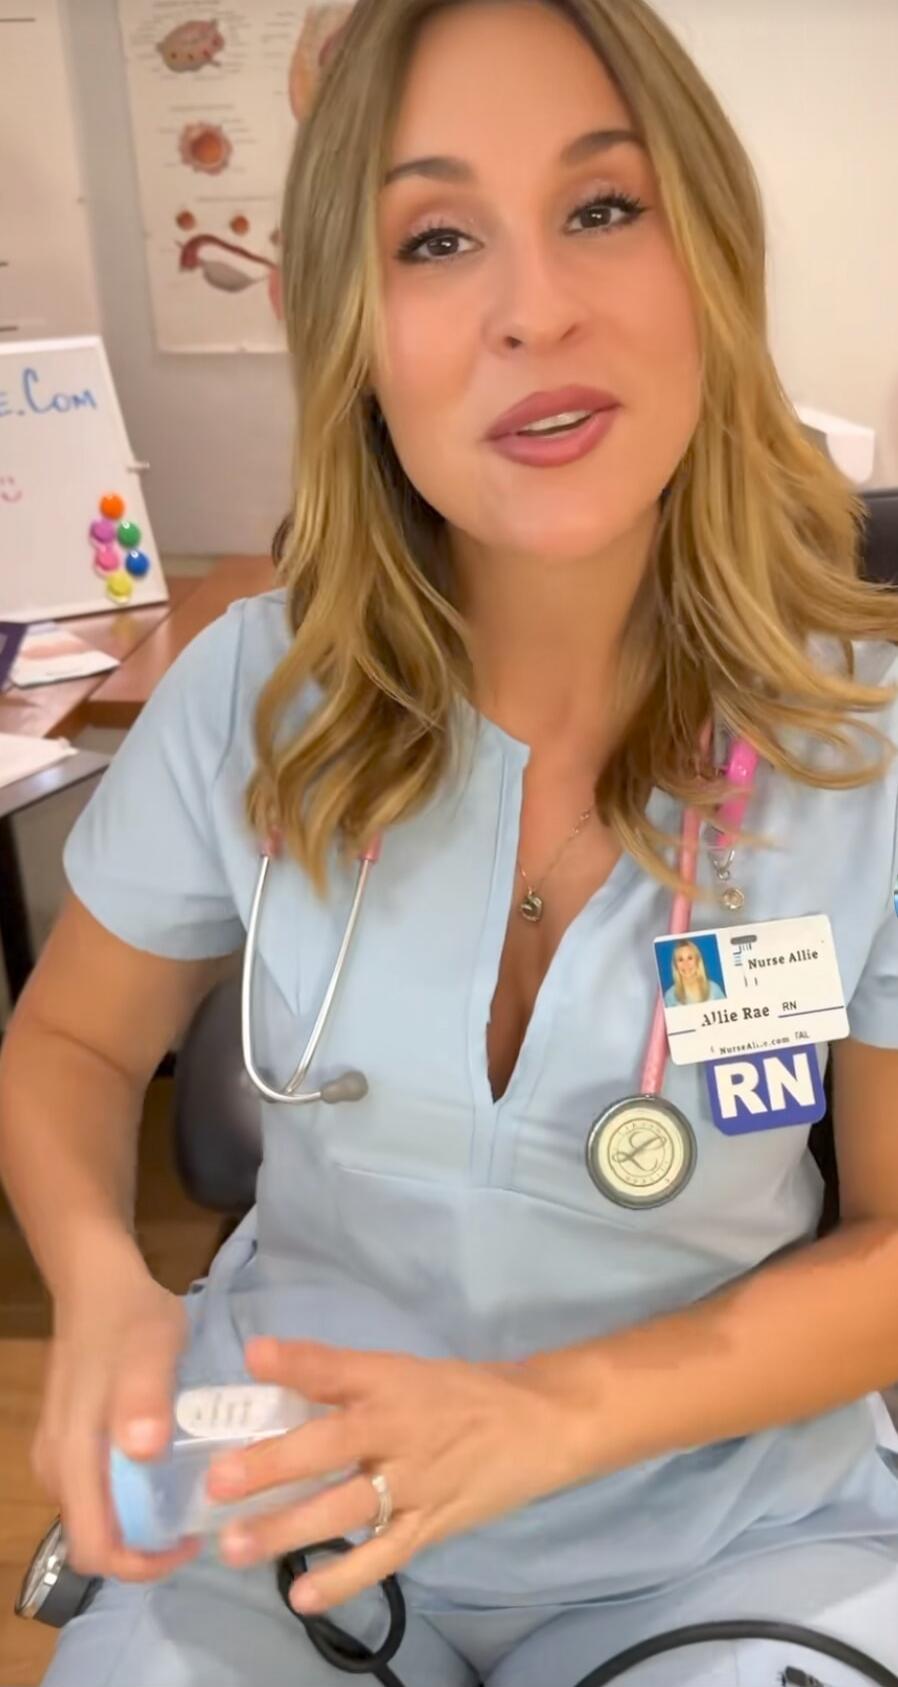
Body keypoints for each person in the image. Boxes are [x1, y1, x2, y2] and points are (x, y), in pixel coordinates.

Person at [1, 0, 897, 1682]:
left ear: (708, 245)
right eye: (433, 239)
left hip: (720, 1518)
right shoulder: (249, 696)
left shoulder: (868, 744)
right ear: (338, 321)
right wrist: (108, 1286)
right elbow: (64, 1039)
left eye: (601, 208)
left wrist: (548, 1416)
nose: (533, 309)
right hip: (284, 1499)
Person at [663, 940, 725, 1007]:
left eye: (690, 958)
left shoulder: (714, 989)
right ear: (675, 965)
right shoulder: (670, 996)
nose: (686, 964)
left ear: (698, 961)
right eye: (680, 959)